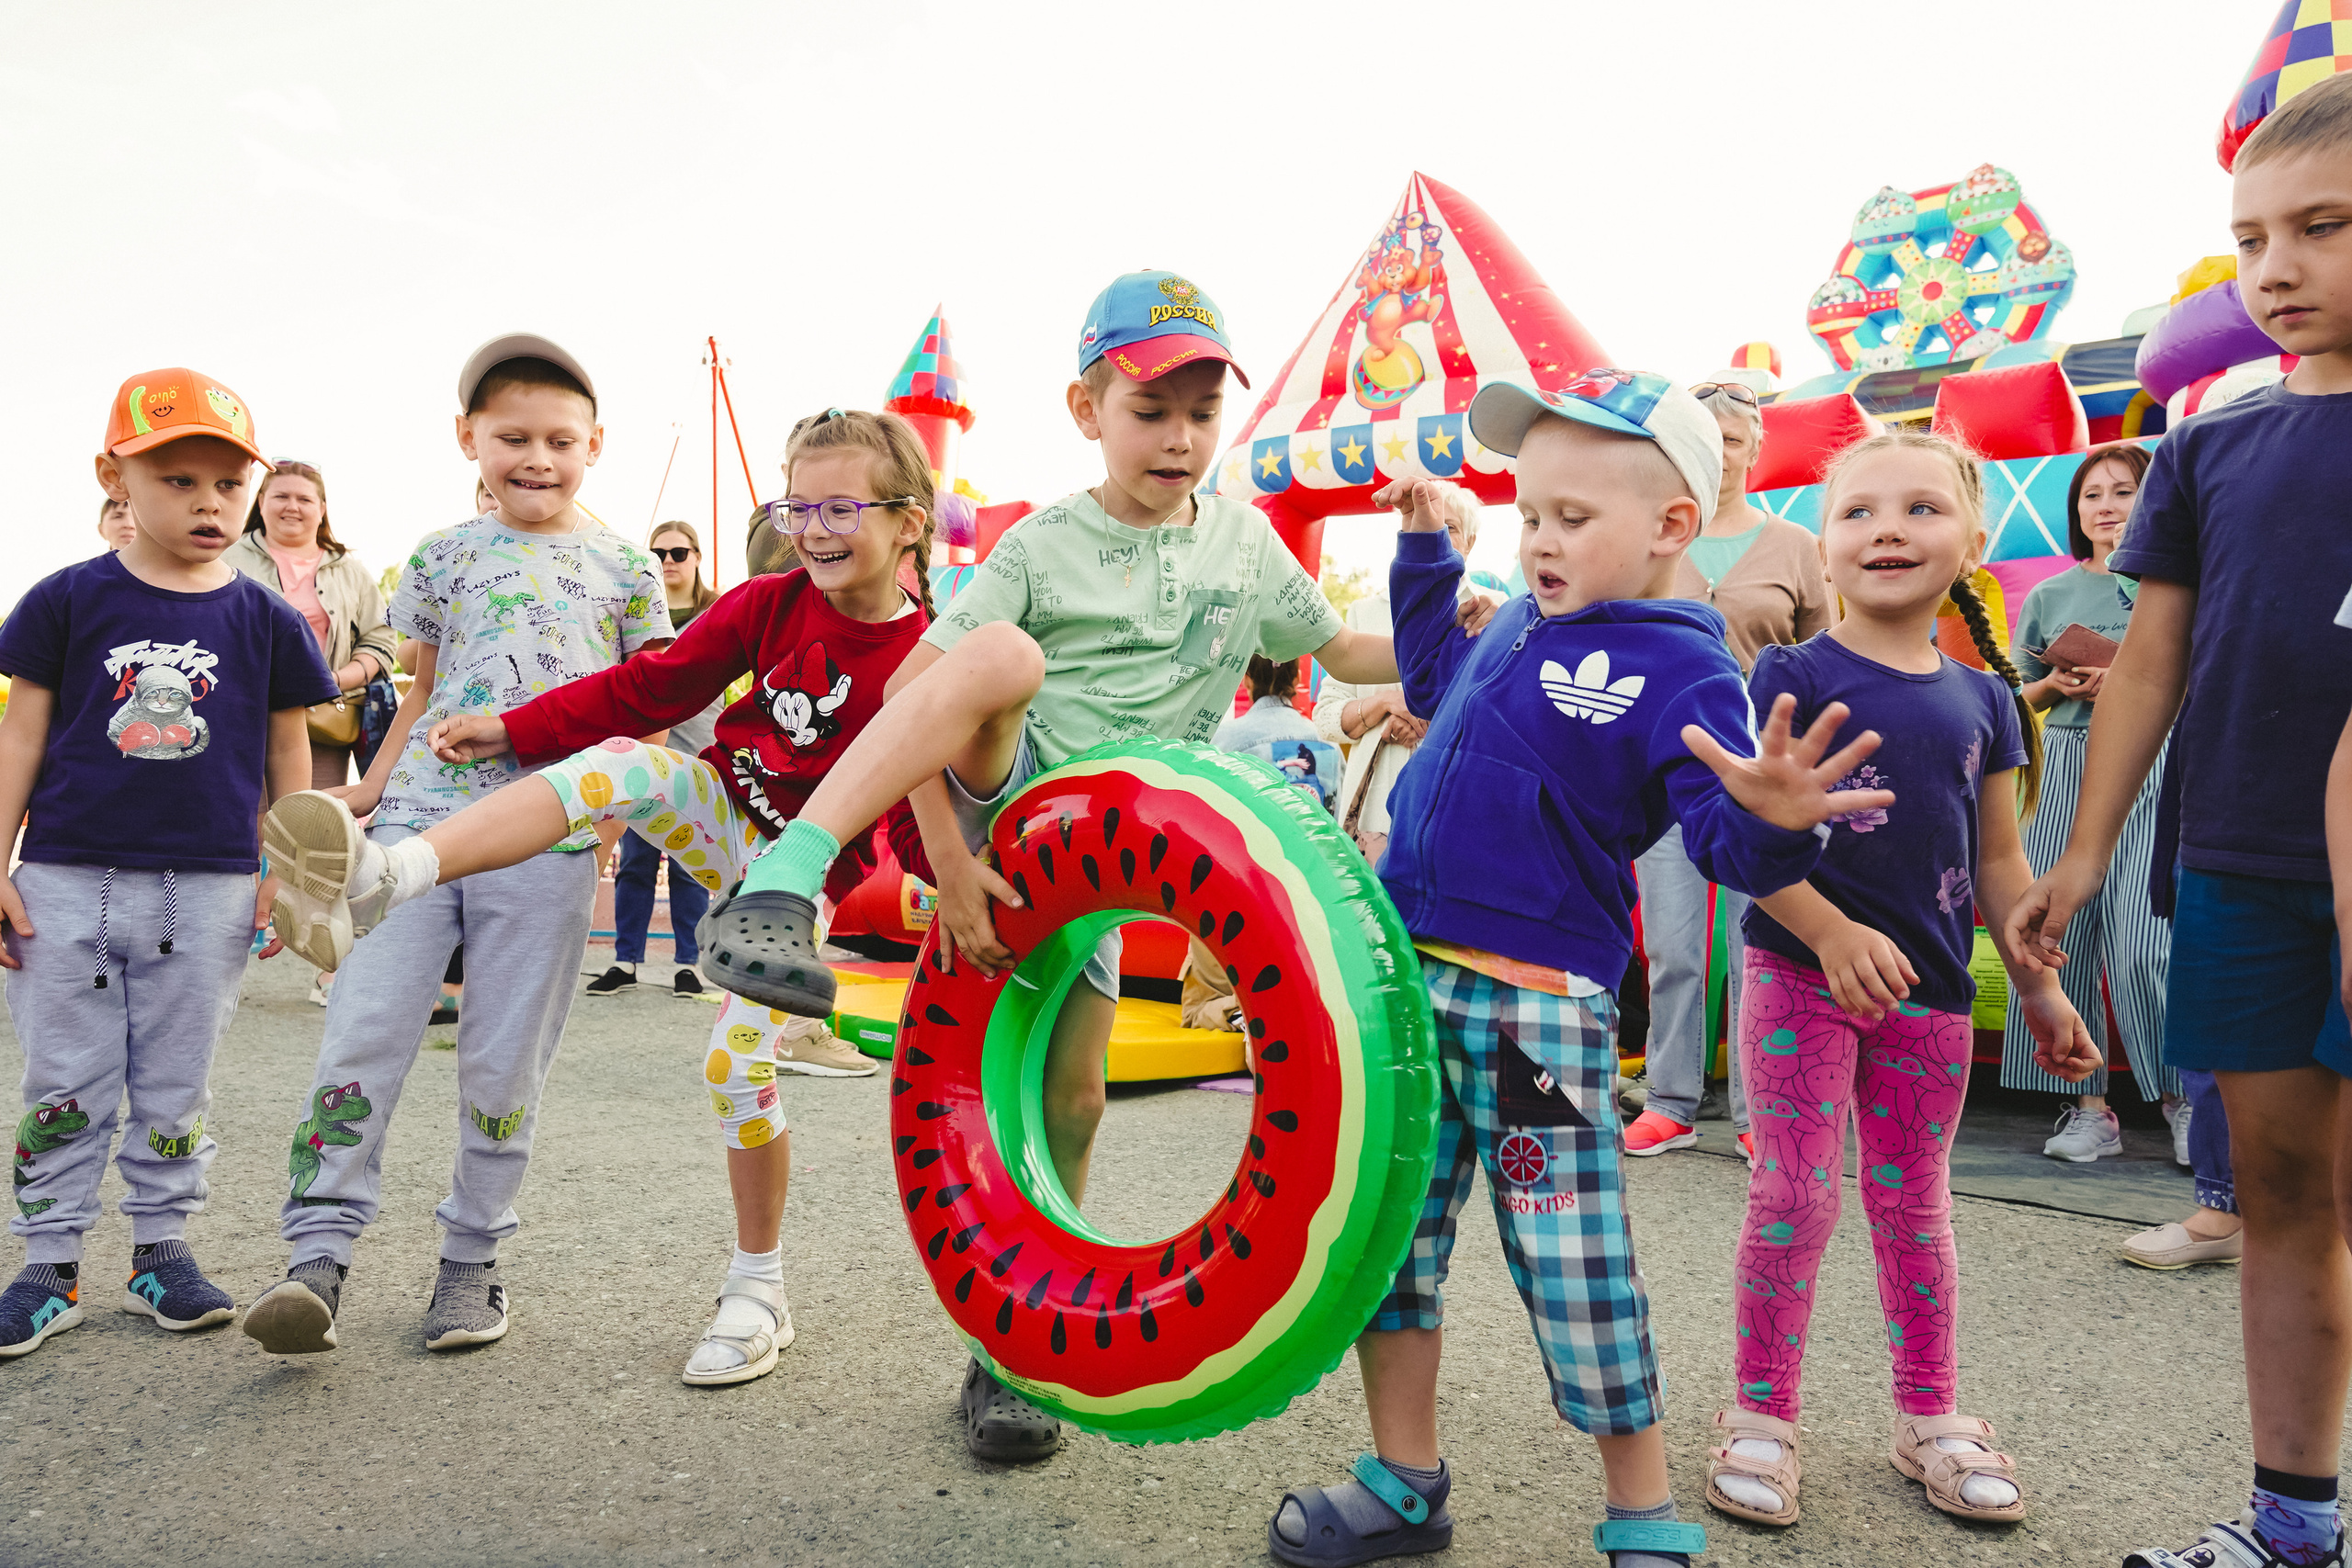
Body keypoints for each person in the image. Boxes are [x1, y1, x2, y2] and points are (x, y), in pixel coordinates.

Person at [700, 271, 1401, 1460]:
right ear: (1087, 409)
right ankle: (791, 864)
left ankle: (1014, 1345)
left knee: (1073, 1097)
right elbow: (921, 687)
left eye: (1198, 409)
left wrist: (1460, 640)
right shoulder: (1042, 542)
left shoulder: (1243, 545)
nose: (1178, 436)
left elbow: (1341, 647)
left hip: (1121, 860)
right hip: (1008, 806)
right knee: (1000, 651)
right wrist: (949, 860)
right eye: (1147, 407)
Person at [1261, 373, 1878, 1568]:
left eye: (1571, 518)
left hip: (1533, 1014)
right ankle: (1402, 1476)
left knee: (1573, 1253)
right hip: (1405, 987)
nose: (1539, 538)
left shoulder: (1686, 664)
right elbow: (1434, 685)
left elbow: (1719, 830)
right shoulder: (1527, 623)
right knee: (1390, 1241)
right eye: (1528, 511)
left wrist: (1780, 823)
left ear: (1670, 527)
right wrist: (1424, 549)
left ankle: (1642, 1505)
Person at [257, 407, 930, 1385]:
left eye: (842, 507)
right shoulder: (772, 603)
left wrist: (952, 900)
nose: (815, 528)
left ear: (909, 520)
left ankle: (758, 1289)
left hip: (793, 880)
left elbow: (922, 810)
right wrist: (516, 727)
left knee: (734, 1068)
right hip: (720, 810)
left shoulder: (925, 658)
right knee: (623, 761)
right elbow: (648, 687)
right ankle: (384, 878)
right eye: (798, 506)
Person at [2011, 74, 2352, 1568]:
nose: (2277, 268)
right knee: (2277, 1188)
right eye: (2251, 238)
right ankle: (2293, 1522)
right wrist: (2080, 855)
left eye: (2323, 228)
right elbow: (2151, 656)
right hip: (2233, 861)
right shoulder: (2211, 447)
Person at [237, 333, 670, 1359]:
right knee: (364, 1032)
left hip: (547, 836)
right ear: (467, 437)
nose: (536, 457)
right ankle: (317, 1257)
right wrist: (372, 792)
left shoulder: (626, 567)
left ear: (595, 445)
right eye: (511, 436)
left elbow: (645, 715)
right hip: (419, 830)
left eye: (559, 440)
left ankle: (472, 1259)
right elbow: (421, 692)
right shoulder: (438, 554)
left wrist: (605, 820)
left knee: (503, 1056)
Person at [1700, 430, 2096, 1535]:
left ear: (1972, 540)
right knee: (1793, 1195)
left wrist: (2039, 992)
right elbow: (1738, 841)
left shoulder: (1986, 702)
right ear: (1821, 548)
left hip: (1927, 993)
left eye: (1920, 510)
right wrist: (1825, 932)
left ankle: (1928, 1416)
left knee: (1913, 1202)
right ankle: (1761, 1416)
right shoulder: (1785, 675)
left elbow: (2001, 868)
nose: (1886, 530)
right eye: (1858, 512)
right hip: (1795, 976)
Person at [0, 370, 335, 1358]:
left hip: (215, 884)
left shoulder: (267, 618)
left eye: (228, 486)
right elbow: (21, 736)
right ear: (116, 477)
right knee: (64, 1075)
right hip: (64, 877)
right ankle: (47, 1264)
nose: (209, 504)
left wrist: (289, 871)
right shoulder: (67, 599)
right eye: (179, 480)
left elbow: (290, 755)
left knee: (176, 1080)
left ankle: (162, 1248)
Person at [1622, 376, 1833, 1161]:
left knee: (1761, 941)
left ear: (1755, 450)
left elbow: (1824, 659)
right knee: (1674, 942)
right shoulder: (1654, 536)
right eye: (1705, 440)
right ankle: (1672, 1099)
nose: (1721, 453)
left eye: (1734, 440)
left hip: (1763, 770)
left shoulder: (1798, 548)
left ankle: (1759, 1109)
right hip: (1668, 767)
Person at [2000, 447, 2199, 1176]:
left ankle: (2183, 1102)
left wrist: (2129, 679)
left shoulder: (2171, 582)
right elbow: (2021, 701)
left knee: (2148, 941)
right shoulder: (2050, 595)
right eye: (2092, 495)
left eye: (2123, 491)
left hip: (2153, 758)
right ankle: (2089, 1108)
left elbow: (2189, 676)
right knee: (2063, 935)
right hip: (2067, 763)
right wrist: (2058, 682)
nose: (2106, 505)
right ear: (2075, 510)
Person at [584, 520, 723, 998]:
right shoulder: (634, 606)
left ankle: (690, 963)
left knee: (690, 861)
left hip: (696, 746)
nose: (668, 561)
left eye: (679, 553)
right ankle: (625, 961)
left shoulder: (717, 610)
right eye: (659, 552)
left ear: (697, 557)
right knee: (635, 860)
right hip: (642, 744)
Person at [1311, 490, 1483, 863]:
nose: (1431, 535)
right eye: (1417, 523)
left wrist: (1428, 715)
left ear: (1469, 542)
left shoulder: (1488, 613)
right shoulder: (1363, 614)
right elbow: (1325, 719)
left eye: (1447, 528)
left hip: (1455, 812)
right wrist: (1385, 704)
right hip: (1371, 815)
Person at [226, 458, 400, 792]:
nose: (292, 507)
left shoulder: (351, 571)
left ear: (321, 509)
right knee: (249, 830)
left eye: (304, 500)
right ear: (261, 502)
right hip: (238, 720)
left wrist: (333, 681)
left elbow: (380, 639)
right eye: (281, 497)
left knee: (312, 826)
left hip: (324, 725)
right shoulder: (224, 558)